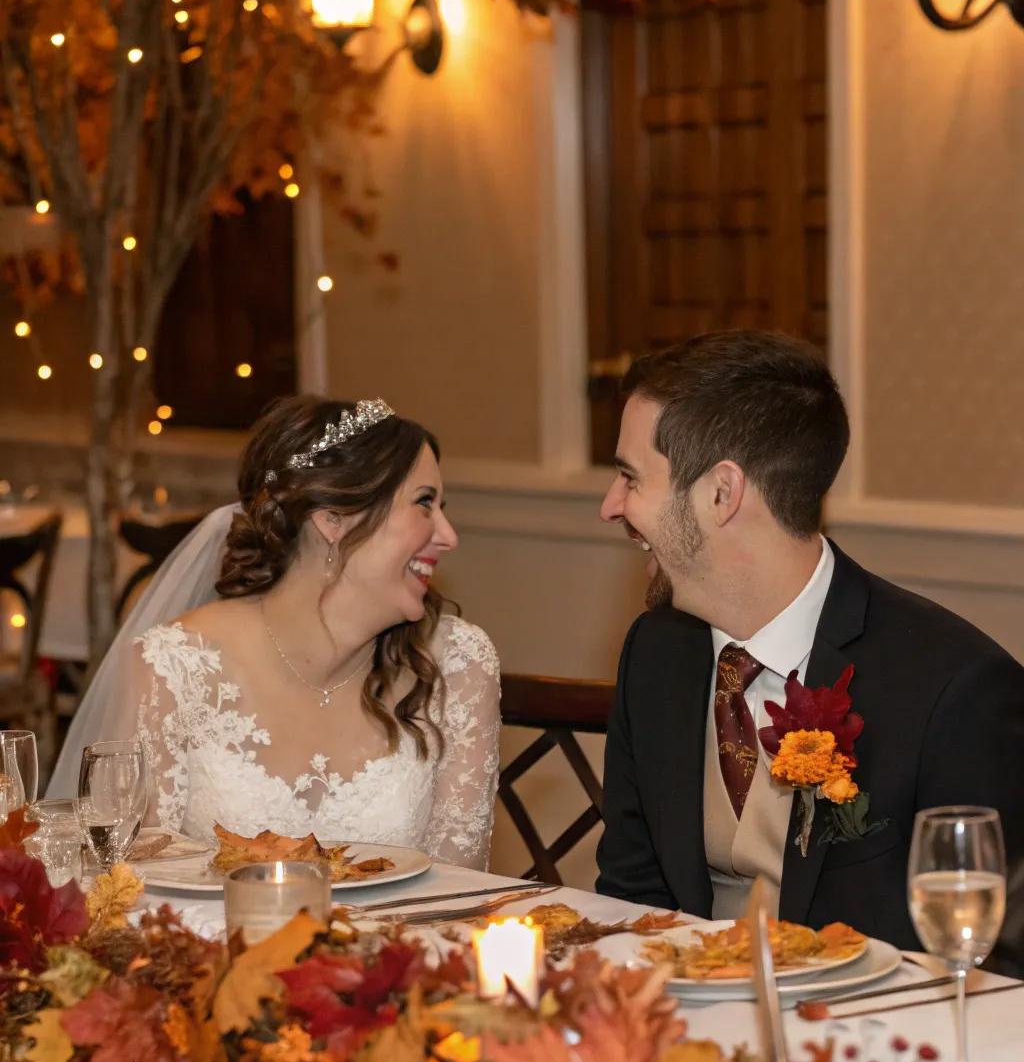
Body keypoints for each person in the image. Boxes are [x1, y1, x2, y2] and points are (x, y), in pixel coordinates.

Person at [595, 331, 1024, 954]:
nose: (611, 506)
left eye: (631, 478)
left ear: (722, 492)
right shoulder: (657, 655)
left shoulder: (954, 691)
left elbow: (1001, 958)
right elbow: (630, 899)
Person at [50, 397, 501, 870]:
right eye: (424, 504)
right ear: (332, 519)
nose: (449, 535)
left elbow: (459, 889)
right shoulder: (174, 668)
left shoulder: (459, 665)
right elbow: (132, 883)